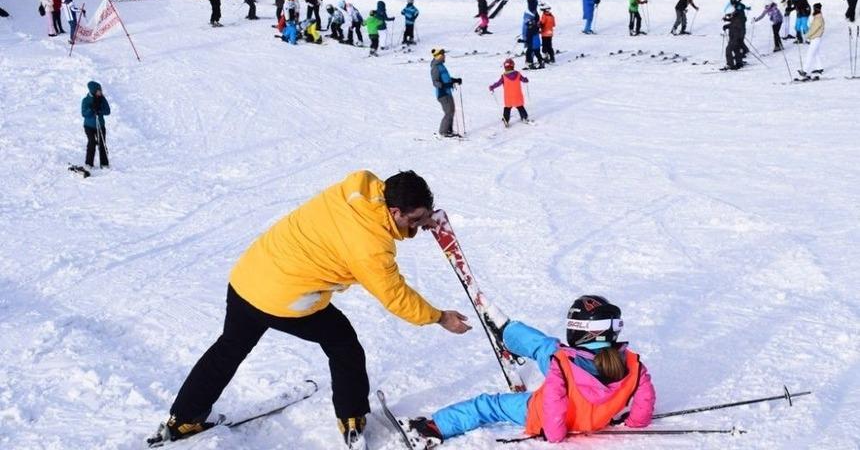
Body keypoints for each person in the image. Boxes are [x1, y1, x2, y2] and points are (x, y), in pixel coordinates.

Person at [147, 170, 471, 450]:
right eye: (414, 220)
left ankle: (184, 419)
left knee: (229, 347)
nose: (418, 226)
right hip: (282, 295)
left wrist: (422, 218)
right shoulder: (370, 246)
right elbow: (395, 296)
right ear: (395, 210)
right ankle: (352, 419)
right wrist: (440, 317)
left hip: (250, 274)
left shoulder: (360, 185)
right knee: (343, 344)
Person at [397, 295, 656, 447]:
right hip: (594, 415)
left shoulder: (561, 366)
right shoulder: (633, 363)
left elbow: (554, 404)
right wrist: (633, 422)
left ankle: (433, 428)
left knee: (488, 406)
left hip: (545, 415)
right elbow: (645, 402)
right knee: (549, 348)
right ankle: (508, 332)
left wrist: (554, 436)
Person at [489, 59, 531, 126]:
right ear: (513, 66)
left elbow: (498, 83)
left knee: (507, 108)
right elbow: (523, 80)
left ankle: (506, 119)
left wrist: (492, 87)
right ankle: (524, 117)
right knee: (520, 107)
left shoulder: (504, 76)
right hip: (517, 95)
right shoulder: (518, 74)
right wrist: (525, 80)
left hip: (508, 97)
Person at [430, 48, 462, 138]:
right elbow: (435, 82)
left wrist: (455, 80)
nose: (445, 57)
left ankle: (449, 130)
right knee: (449, 112)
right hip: (442, 93)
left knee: (451, 111)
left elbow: (446, 79)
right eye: (443, 55)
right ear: (439, 56)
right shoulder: (435, 68)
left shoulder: (441, 66)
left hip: (447, 92)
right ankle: (443, 131)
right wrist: (443, 86)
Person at [81, 81, 111, 170]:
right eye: (98, 90)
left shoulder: (102, 99)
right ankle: (89, 163)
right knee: (92, 143)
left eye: (100, 90)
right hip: (89, 126)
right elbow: (84, 113)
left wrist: (99, 110)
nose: (100, 92)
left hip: (100, 125)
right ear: (93, 90)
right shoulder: (86, 100)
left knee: (102, 143)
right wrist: (91, 109)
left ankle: (104, 163)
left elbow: (108, 111)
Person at [799, 2, 825, 79]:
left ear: (817, 9)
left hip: (816, 38)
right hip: (815, 38)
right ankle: (820, 68)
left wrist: (806, 36)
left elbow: (813, 29)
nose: (813, 10)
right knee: (816, 53)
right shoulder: (817, 17)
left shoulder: (818, 18)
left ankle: (805, 71)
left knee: (810, 54)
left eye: (814, 8)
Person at [722, 0, 747, 70]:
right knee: (736, 48)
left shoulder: (738, 12)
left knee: (728, 49)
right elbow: (734, 21)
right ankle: (739, 63)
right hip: (736, 33)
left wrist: (728, 25)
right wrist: (727, 24)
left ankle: (731, 64)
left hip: (736, 34)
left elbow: (736, 24)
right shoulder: (739, 11)